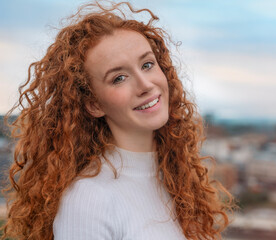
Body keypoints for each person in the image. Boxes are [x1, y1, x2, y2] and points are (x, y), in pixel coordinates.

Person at [1, 1, 236, 239]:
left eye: (147, 64)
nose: (146, 85)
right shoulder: (89, 200)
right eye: (119, 78)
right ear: (94, 104)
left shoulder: (177, 177)